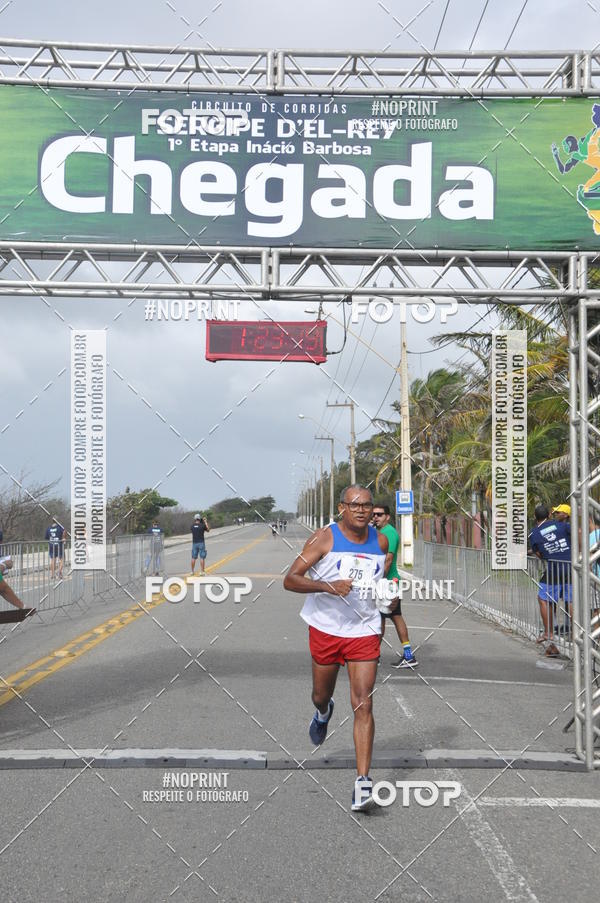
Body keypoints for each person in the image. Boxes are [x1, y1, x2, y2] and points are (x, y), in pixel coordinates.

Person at [284, 485, 388, 811]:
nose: (361, 510)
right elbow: (291, 579)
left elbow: (377, 582)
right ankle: (323, 712)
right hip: (326, 629)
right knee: (320, 694)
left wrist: (387, 596)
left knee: (363, 703)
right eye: (354, 505)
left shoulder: (381, 541)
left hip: (364, 630)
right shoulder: (323, 538)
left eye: (367, 505)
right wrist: (328, 587)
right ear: (342, 507)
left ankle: (363, 783)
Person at [372, 503, 418, 668]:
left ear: (387, 517)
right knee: (392, 617)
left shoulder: (388, 533)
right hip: (389, 582)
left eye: (379, 514)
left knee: (381, 618)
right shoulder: (380, 532)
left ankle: (374, 656)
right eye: (374, 514)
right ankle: (408, 655)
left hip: (388, 582)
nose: (375, 517)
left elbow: (388, 560)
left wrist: (376, 581)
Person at [529, 503, 572, 657]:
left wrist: (548, 555)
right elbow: (576, 533)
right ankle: (572, 635)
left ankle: (548, 633)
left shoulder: (534, 533)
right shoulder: (560, 525)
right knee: (569, 600)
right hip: (570, 567)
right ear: (548, 516)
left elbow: (538, 553)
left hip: (553, 570)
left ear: (535, 517)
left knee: (543, 600)